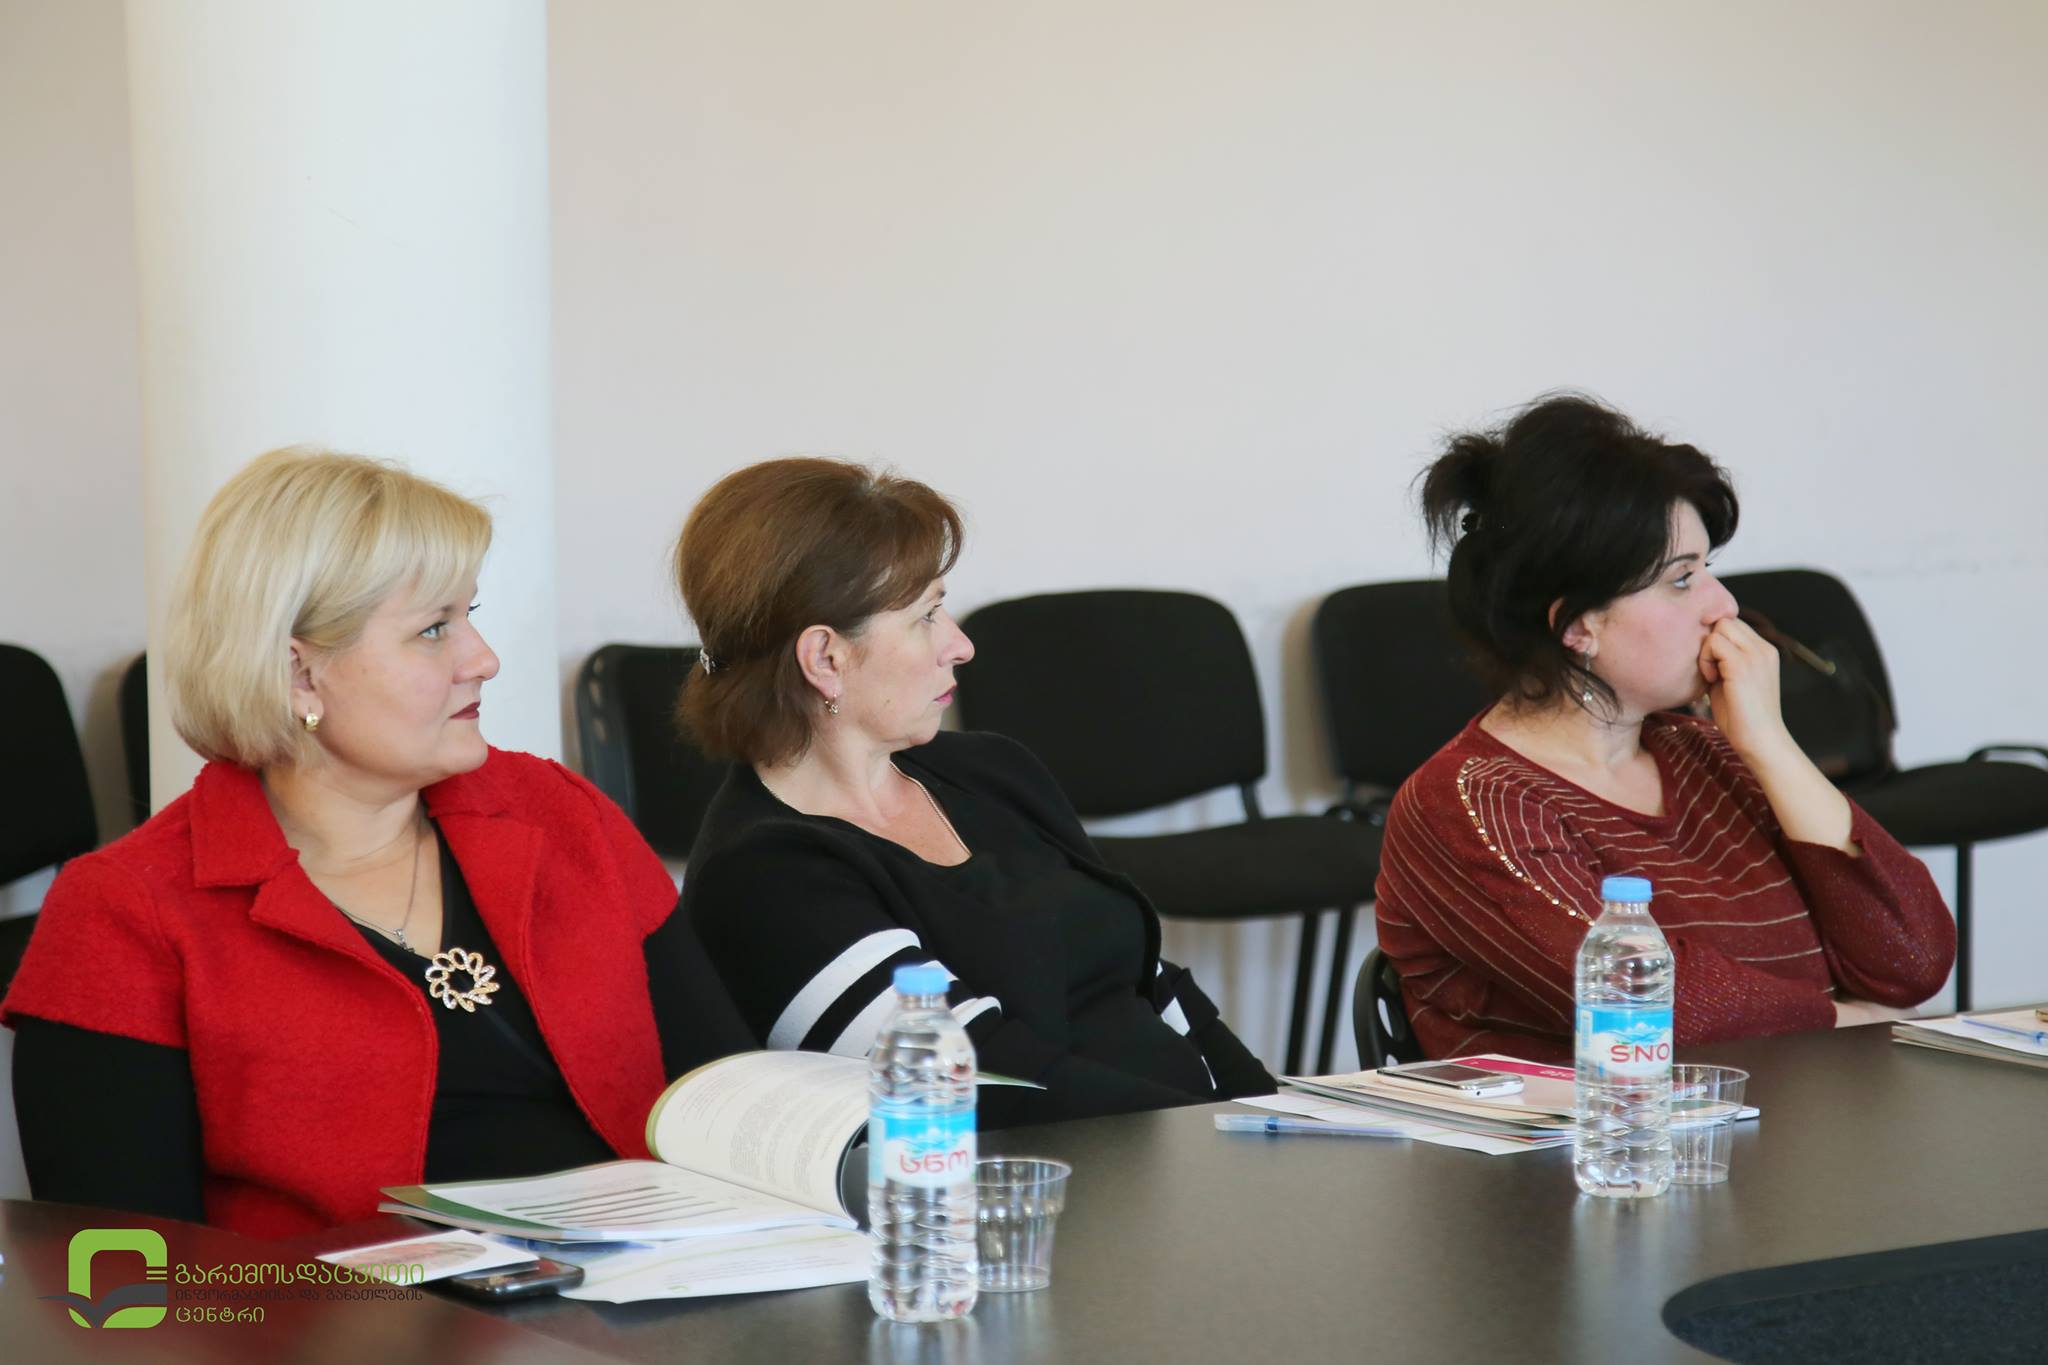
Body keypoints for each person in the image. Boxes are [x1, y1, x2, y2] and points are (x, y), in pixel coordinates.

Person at [2, 449, 752, 1236]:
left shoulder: (559, 815)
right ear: (299, 674)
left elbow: (728, 1090)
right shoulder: (124, 912)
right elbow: (127, 1271)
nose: (483, 659)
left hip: (656, 1285)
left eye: (469, 614)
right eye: (433, 629)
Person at [674, 457, 1272, 1124]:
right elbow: (993, 1086)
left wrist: (1274, 1112)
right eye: (926, 615)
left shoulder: (992, 770)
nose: (960, 645)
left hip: (1189, 1142)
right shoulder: (767, 878)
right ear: (825, 658)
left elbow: (1145, 978)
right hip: (1060, 1173)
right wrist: (1214, 1135)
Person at [1373, 395, 1955, 1063]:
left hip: (1798, 1113)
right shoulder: (1467, 803)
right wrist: (1848, 1021)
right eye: (1681, 580)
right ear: (1578, 627)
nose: (1723, 605)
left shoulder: (1709, 751)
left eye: (1708, 569)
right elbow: (1641, 996)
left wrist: (1771, 746)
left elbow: (1912, 961)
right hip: (1596, 1131)